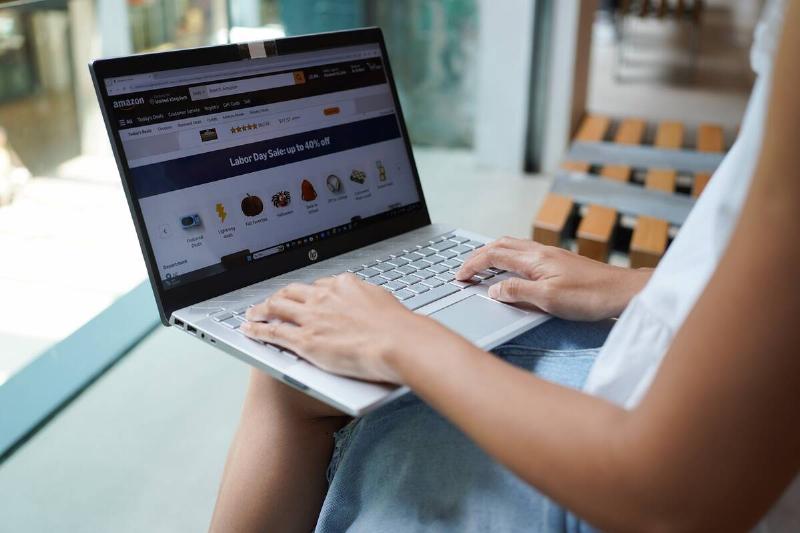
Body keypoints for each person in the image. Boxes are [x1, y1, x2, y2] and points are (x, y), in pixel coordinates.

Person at [210, 1, 800, 530]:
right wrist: (638, 285)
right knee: (305, 362)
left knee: (289, 371)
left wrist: (400, 339)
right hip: (681, 363)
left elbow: (671, 501)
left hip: (646, 470)